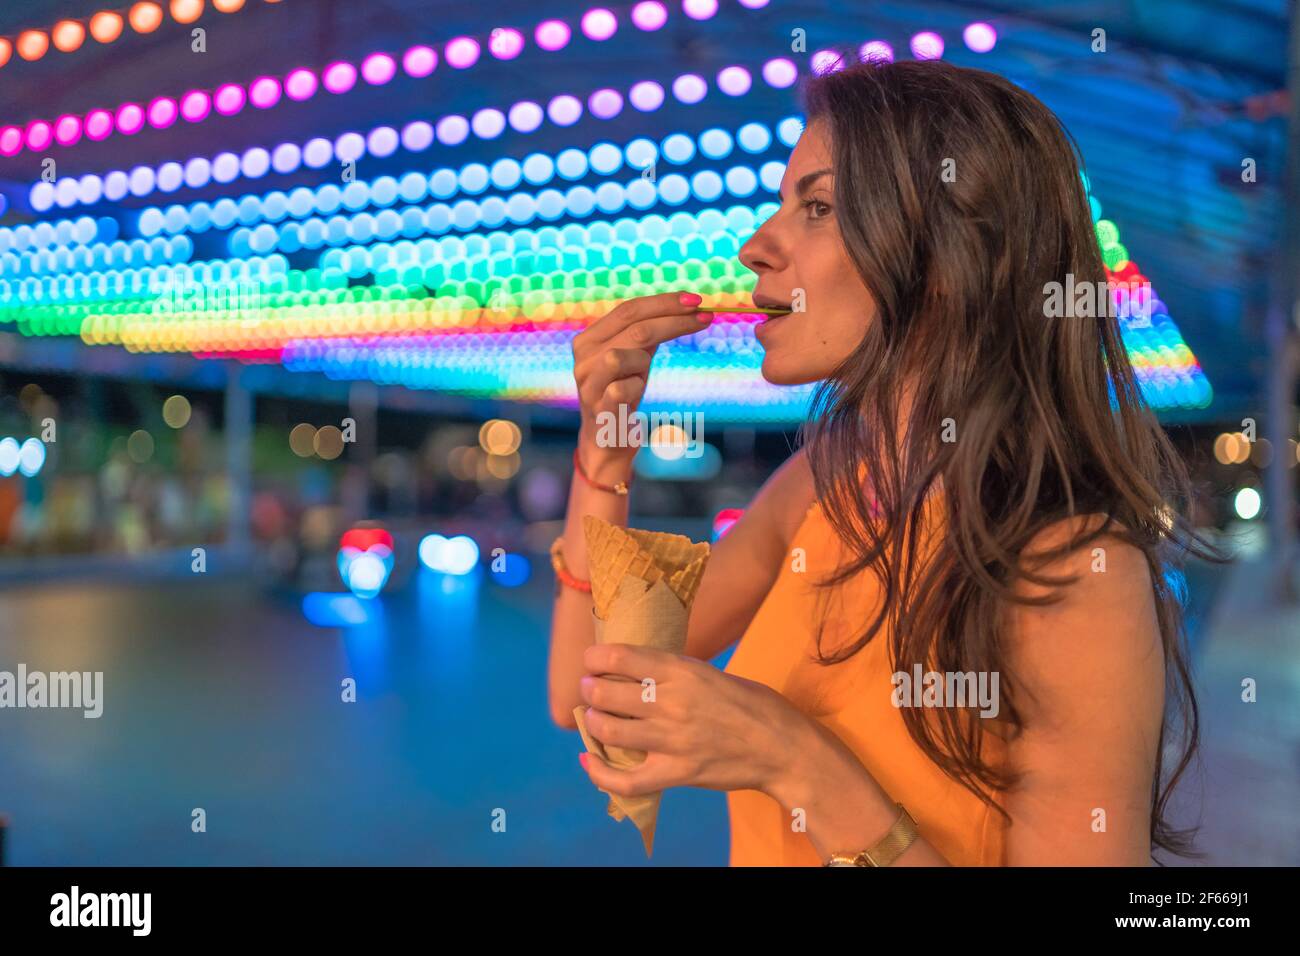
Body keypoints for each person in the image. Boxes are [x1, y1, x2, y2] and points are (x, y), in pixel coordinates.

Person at [547, 58, 1213, 866]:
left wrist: (794, 760)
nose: (754, 247)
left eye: (817, 207)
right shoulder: (820, 487)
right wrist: (603, 450)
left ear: (945, 256)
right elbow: (591, 689)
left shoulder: (1075, 571)